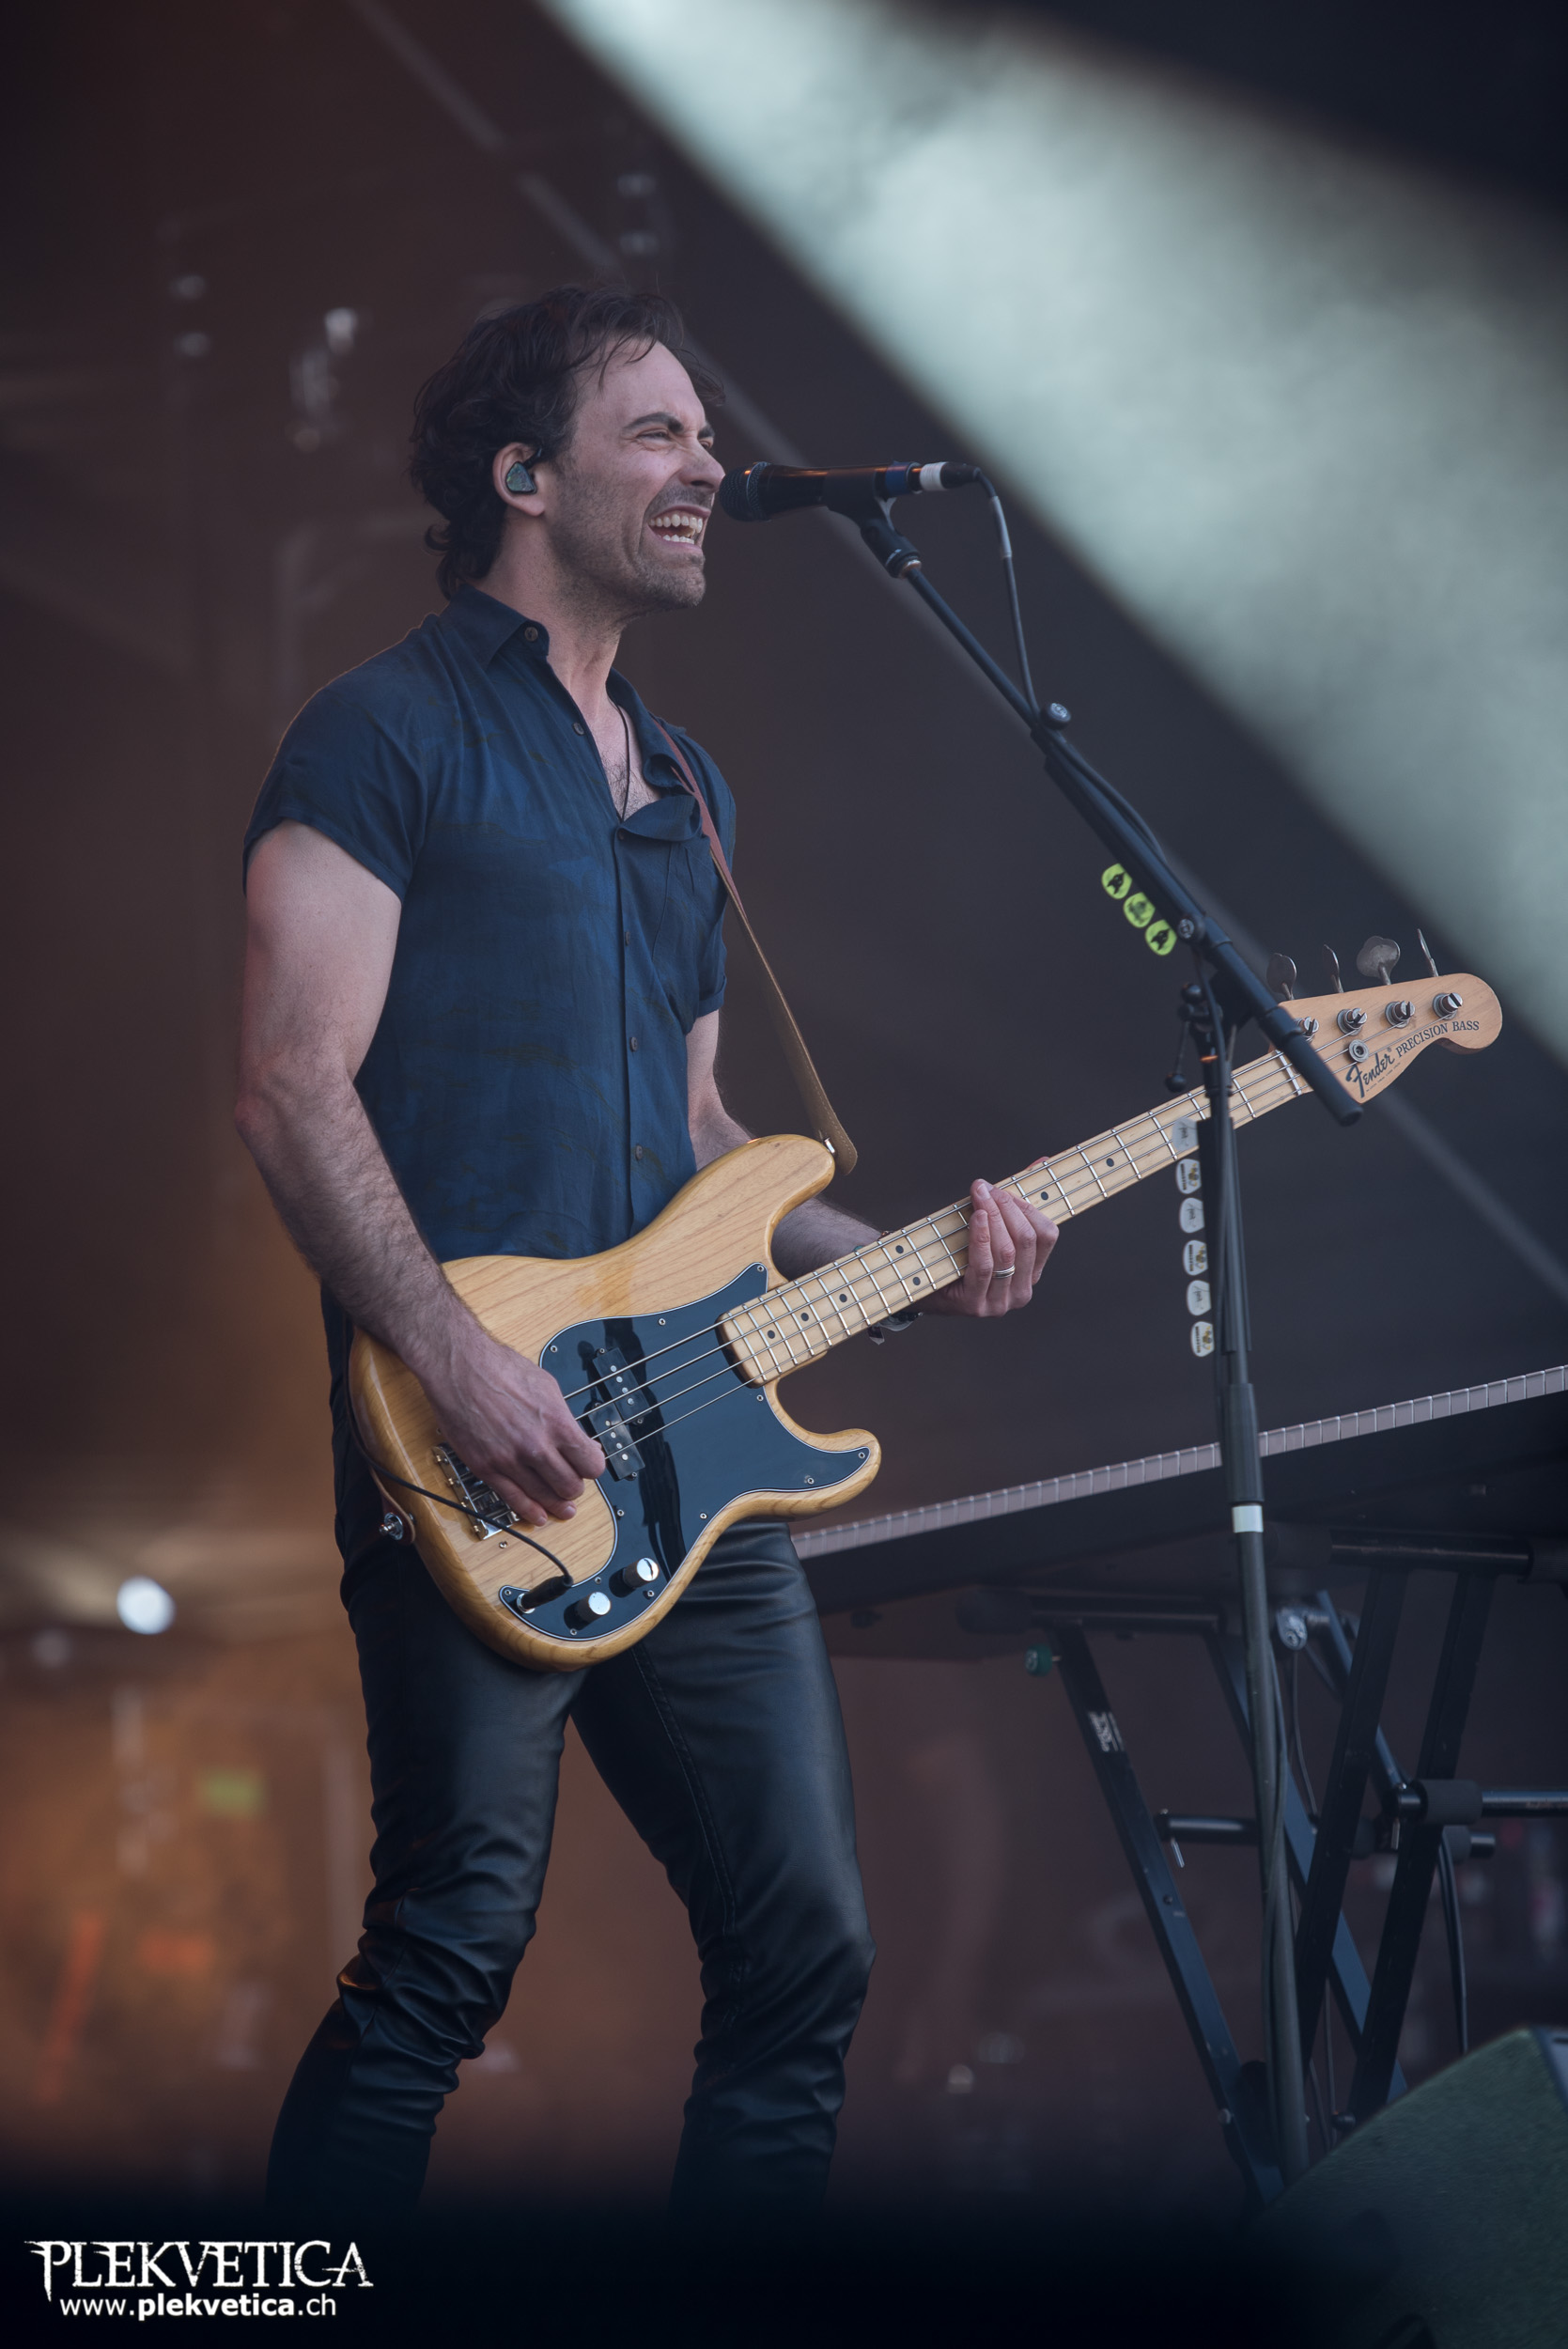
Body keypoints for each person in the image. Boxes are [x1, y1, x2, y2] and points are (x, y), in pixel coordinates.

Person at [236, 286, 1057, 2222]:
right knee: (448, 1949)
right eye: (658, 433)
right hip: (475, 1435)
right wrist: (454, 1359)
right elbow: (286, 1082)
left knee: (807, 1948)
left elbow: (702, 1140)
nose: (708, 467)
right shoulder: (379, 731)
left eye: (704, 435)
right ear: (525, 477)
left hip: (693, 1449)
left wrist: (911, 1255)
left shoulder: (688, 790)